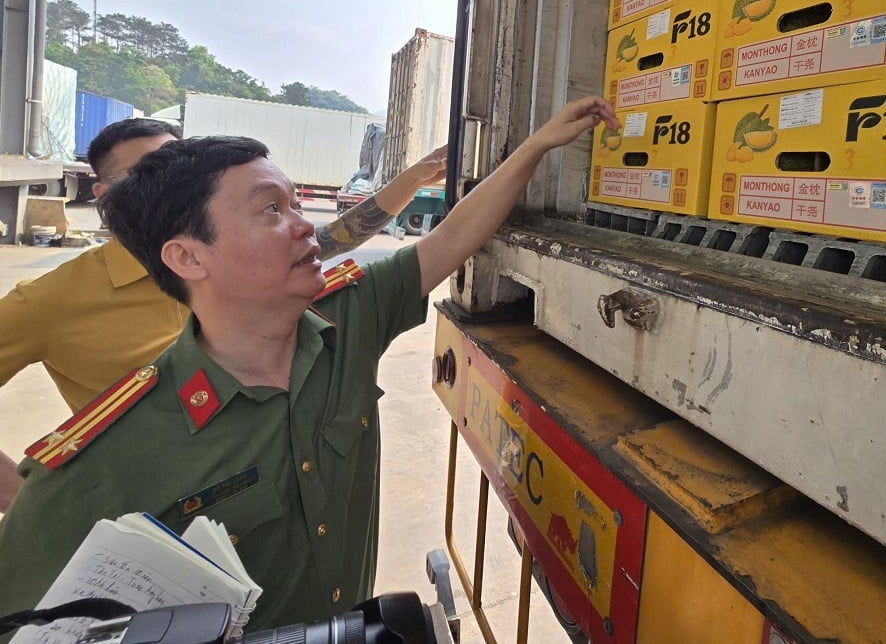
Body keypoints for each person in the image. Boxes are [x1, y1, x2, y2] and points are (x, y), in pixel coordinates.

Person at [0, 96, 618, 632]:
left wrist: (538, 144)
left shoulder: (346, 319)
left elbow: (453, 238)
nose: (305, 228)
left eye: (296, 204)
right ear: (187, 257)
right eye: (272, 210)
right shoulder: (107, 459)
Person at [0, 118, 447, 512]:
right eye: (148, 172)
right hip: (153, 521)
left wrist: (419, 175)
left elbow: (338, 236)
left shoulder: (243, 263)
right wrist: (33, 507)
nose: (171, 181)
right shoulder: (54, 300)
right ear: (103, 195)